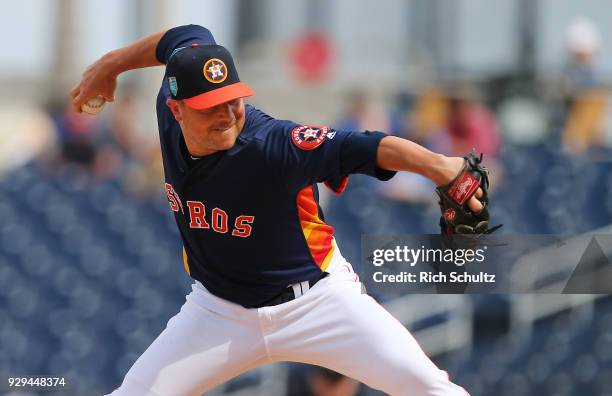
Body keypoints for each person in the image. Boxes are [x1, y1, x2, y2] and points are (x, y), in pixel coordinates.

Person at [71, 24, 484, 396]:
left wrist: (443, 168)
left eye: (232, 99)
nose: (227, 113)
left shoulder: (276, 144)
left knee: (429, 388)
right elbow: (181, 35)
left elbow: (367, 145)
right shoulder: (168, 106)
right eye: (210, 105)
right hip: (217, 312)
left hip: (319, 303)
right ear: (175, 108)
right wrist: (112, 64)